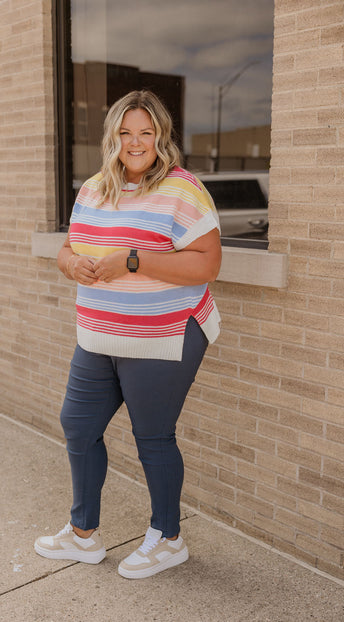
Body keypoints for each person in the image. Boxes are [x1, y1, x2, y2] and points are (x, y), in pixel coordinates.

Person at [34, 90, 222, 579]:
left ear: (161, 136)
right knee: (78, 426)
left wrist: (133, 260)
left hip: (164, 334)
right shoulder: (94, 188)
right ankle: (83, 536)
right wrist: (72, 263)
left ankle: (168, 538)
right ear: (111, 137)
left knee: (153, 437)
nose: (135, 142)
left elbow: (208, 262)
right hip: (98, 335)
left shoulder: (183, 189)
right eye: (125, 132)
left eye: (146, 132)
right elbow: (68, 248)